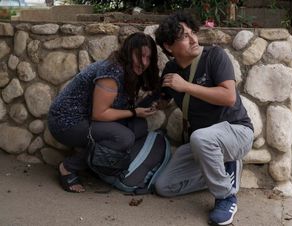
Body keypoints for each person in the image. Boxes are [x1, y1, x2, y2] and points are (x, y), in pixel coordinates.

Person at [154, 12, 254, 225]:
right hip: (205, 143)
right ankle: (222, 172)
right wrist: (144, 107)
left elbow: (228, 96)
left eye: (192, 33)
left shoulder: (215, 56)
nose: (193, 40)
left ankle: (226, 196)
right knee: (164, 187)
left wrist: (186, 86)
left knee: (199, 138)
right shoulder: (171, 69)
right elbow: (162, 99)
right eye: (184, 37)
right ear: (169, 47)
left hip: (236, 131)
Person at [47, 32, 160, 193]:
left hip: (88, 120)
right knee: (124, 137)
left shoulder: (129, 70)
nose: (144, 62)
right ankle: (68, 167)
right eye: (139, 56)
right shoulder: (112, 71)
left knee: (139, 127)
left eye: (149, 58)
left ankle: (100, 162)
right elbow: (99, 114)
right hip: (66, 122)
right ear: (129, 52)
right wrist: (134, 112)